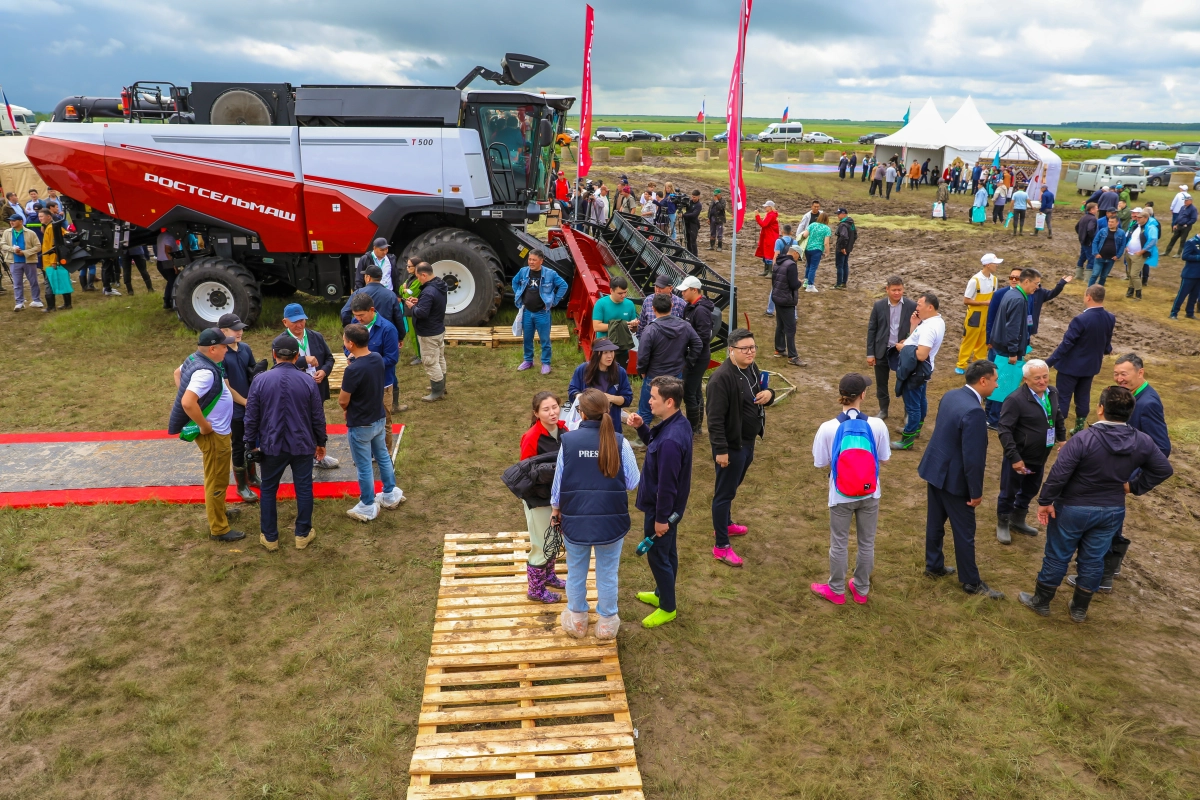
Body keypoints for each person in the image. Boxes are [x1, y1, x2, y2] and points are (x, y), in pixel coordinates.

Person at [1018, 386, 1173, 622]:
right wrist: (1132, 487)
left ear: (1100, 409)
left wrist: (1045, 501)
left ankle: (1041, 601)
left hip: (1073, 508)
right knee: (1093, 559)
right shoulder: (1142, 441)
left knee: (1058, 555)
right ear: (1129, 413)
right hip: (1112, 510)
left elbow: (1059, 473)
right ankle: (1079, 609)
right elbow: (1163, 468)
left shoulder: (1083, 439)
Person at [1071, 354, 1173, 594]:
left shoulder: (1148, 403)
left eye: (1124, 374)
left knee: (1107, 525)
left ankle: (1101, 577)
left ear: (1140, 373)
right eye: (1116, 374)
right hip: (1114, 474)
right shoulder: (1131, 396)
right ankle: (1108, 571)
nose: (1119, 378)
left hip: (1119, 478)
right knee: (1110, 521)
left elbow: (1162, 447)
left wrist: (1132, 480)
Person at [551, 388, 641, 640]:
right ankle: (607, 623)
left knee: (576, 570)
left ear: (580, 413)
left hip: (574, 518)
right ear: (606, 411)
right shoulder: (620, 441)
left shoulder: (568, 442)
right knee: (608, 572)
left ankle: (577, 620)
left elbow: (558, 482)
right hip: (612, 520)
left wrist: (555, 510)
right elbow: (633, 481)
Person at [919, 360, 1004, 599]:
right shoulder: (975, 412)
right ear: (983, 381)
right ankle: (971, 582)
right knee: (965, 533)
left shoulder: (951, 395)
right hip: (955, 481)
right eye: (995, 380)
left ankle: (933, 565)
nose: (997, 385)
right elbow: (973, 459)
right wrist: (975, 492)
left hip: (935, 470)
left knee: (935, 523)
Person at [810, 373, 892, 605]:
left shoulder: (827, 428)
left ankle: (835, 590)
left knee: (839, 542)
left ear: (841, 395)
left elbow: (820, 462)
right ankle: (861, 589)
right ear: (863, 395)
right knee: (867, 542)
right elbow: (885, 459)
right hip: (870, 493)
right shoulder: (877, 424)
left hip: (840, 495)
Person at [242, 333, 328, 551]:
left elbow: (251, 417)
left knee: (269, 489)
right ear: (297, 355)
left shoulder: (260, 380)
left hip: (271, 446)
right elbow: (317, 416)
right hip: (302, 445)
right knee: (304, 488)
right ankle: (302, 534)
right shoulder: (308, 381)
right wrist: (321, 442)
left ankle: (270, 537)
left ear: (274, 354)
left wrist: (249, 443)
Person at [624, 377, 693, 628]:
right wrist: (642, 428)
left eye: (653, 397)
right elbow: (654, 444)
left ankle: (667, 608)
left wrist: (661, 519)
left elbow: (667, 485)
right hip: (667, 509)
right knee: (668, 552)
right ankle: (662, 592)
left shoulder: (671, 441)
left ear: (670, 401)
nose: (649, 401)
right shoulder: (675, 423)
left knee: (658, 557)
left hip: (661, 510)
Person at [706, 328, 775, 567]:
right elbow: (714, 420)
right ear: (731, 351)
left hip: (748, 441)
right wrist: (721, 451)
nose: (750, 352)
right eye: (744, 349)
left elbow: (759, 394)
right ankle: (721, 546)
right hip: (731, 446)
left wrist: (769, 394)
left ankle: (725, 524)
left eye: (753, 347)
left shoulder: (751, 368)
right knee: (724, 493)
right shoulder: (720, 379)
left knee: (732, 488)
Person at [168, 328, 244, 543]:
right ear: (212, 349)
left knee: (216, 476)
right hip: (215, 434)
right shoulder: (205, 372)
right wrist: (204, 425)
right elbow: (187, 402)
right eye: (223, 346)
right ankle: (219, 528)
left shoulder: (195, 358)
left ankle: (219, 511)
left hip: (216, 430)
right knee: (216, 480)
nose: (226, 350)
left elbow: (177, 373)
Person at [339, 322, 405, 523]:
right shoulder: (377, 358)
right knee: (383, 456)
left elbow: (343, 400)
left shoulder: (352, 371)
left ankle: (367, 504)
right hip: (378, 419)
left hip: (361, 423)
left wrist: (345, 409)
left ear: (350, 344)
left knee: (364, 465)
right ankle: (389, 493)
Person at [995, 359, 1065, 544]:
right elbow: (1004, 430)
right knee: (1009, 490)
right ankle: (1003, 522)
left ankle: (1018, 519)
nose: (1042, 381)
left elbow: (1057, 416)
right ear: (1026, 379)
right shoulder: (1015, 400)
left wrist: (1063, 438)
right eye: (1037, 378)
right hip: (1020, 459)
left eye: (1045, 376)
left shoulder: (1052, 393)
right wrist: (1014, 457)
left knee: (1031, 489)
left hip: (1040, 457)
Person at [517, 390, 569, 602]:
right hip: (538, 499)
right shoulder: (531, 437)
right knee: (540, 543)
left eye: (555, 407)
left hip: (556, 498)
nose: (552, 413)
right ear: (536, 413)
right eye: (546, 410)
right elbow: (525, 472)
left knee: (553, 539)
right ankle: (535, 590)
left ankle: (549, 576)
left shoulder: (565, 430)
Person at [1046, 284, 1116, 435]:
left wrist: (1049, 362)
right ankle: (1079, 428)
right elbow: (1107, 341)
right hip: (1090, 367)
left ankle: (1059, 431)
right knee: (1083, 397)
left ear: (1088, 297)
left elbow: (1067, 344)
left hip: (1070, 367)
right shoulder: (1110, 317)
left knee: (1063, 398)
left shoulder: (1080, 319)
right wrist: (1106, 350)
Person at [280, 304, 339, 470]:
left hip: (316, 388)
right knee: (299, 425)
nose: (299, 325)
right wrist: (303, 360)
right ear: (285, 322)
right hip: (294, 391)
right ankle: (303, 462)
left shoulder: (316, 337)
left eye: (302, 321)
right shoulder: (280, 342)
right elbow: (279, 365)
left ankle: (320, 456)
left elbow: (329, 359)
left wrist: (324, 372)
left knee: (317, 421)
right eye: (295, 322)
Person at [216, 313, 261, 503]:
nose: (240, 332)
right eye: (235, 329)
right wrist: (244, 401)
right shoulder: (221, 354)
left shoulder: (246, 349)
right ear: (223, 331)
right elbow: (225, 386)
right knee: (238, 446)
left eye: (241, 328)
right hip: (234, 409)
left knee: (252, 442)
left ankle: (252, 477)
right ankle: (241, 485)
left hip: (250, 406)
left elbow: (254, 374)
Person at [636, 293, 701, 421]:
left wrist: (641, 370)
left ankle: (641, 438)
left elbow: (643, 355)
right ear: (671, 306)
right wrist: (688, 361)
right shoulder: (685, 326)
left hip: (653, 375)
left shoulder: (650, 330)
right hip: (675, 374)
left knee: (646, 408)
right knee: (672, 407)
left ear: (653, 308)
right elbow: (698, 344)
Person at [892, 293, 945, 450]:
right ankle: (915, 430)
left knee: (913, 406)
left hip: (916, 371)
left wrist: (903, 348)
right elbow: (917, 340)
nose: (916, 308)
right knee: (921, 400)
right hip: (924, 370)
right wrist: (914, 325)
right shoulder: (935, 321)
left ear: (930, 307)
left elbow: (921, 354)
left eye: (919, 305)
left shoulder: (929, 327)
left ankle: (907, 440)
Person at [866, 276, 916, 420]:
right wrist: (870, 353)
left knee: (907, 382)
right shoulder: (879, 306)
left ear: (903, 289)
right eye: (894, 290)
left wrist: (908, 340)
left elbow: (918, 328)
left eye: (899, 290)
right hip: (882, 350)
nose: (897, 293)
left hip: (903, 351)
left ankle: (908, 413)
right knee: (881, 382)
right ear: (887, 289)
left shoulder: (911, 306)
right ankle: (883, 410)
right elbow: (872, 329)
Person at [512, 250, 569, 375]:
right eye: (529, 259)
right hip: (527, 312)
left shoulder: (551, 274)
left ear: (541, 261)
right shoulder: (523, 272)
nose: (531, 262)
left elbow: (563, 286)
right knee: (527, 338)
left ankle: (546, 363)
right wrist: (519, 295)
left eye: (534, 260)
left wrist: (553, 301)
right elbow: (515, 282)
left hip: (542, 313)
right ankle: (528, 360)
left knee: (545, 340)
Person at [567, 339, 633, 433]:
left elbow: (628, 399)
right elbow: (572, 391)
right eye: (605, 352)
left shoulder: (620, 372)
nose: (610, 356)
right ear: (596, 354)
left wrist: (611, 398)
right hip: (587, 425)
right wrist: (582, 397)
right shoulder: (583, 369)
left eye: (611, 351)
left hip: (611, 424)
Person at [405, 262, 449, 402]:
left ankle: (437, 392)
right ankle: (441, 386)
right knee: (440, 358)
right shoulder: (440, 285)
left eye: (418, 277)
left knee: (430, 361)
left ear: (424, 274)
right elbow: (431, 304)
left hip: (428, 333)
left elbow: (422, 313)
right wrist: (420, 301)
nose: (418, 280)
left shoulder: (429, 291)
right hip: (438, 329)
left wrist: (412, 306)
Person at [678, 275, 716, 431]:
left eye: (685, 291)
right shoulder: (691, 306)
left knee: (689, 392)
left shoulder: (700, 311)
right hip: (694, 355)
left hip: (697, 357)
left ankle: (693, 428)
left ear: (694, 290)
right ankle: (698, 425)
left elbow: (703, 337)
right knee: (695, 390)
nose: (682, 293)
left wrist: (691, 359)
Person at [955, 253, 1000, 374]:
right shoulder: (975, 280)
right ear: (988, 265)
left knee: (984, 340)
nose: (997, 266)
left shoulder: (994, 280)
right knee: (969, 339)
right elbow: (966, 300)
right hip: (975, 314)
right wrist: (984, 302)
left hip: (988, 314)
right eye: (995, 264)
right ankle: (961, 364)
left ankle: (978, 364)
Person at [591, 276, 639, 368]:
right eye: (620, 293)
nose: (623, 296)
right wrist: (621, 325)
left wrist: (634, 325)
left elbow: (633, 330)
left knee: (619, 377)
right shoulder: (601, 304)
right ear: (611, 291)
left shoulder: (629, 304)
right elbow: (597, 327)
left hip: (622, 349)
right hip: (603, 348)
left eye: (625, 292)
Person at [341, 264, 403, 334]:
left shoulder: (358, 293)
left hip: (362, 333)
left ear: (368, 277)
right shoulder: (391, 295)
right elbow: (398, 317)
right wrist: (400, 336)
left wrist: (349, 328)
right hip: (385, 333)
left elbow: (345, 312)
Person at [770, 244, 804, 367]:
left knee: (780, 325)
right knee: (790, 328)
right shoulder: (791, 265)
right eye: (798, 256)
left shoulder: (778, 262)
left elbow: (774, 280)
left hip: (777, 298)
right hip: (786, 300)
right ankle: (793, 356)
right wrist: (799, 283)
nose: (797, 259)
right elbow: (793, 284)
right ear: (795, 253)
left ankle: (779, 349)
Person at [3, 214, 41, 311]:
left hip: (29, 261)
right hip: (14, 261)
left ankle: (36, 300)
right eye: (10, 220)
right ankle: (19, 302)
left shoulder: (30, 233)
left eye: (14, 220)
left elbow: (38, 247)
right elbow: (2, 244)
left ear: (21, 221)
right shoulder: (7, 232)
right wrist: (12, 249)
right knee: (17, 283)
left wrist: (24, 253)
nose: (11, 222)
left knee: (33, 281)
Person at [37, 208, 72, 312]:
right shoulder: (51, 226)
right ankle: (67, 304)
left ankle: (51, 307)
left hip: (52, 262)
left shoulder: (52, 227)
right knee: (62, 280)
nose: (40, 219)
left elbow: (54, 246)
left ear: (49, 216)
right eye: (39, 217)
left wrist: (53, 261)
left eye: (41, 216)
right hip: (54, 260)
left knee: (49, 283)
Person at [1124, 207, 1159, 299]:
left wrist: (1142, 251)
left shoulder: (1151, 227)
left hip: (1138, 255)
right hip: (1129, 253)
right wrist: (1126, 246)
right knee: (1130, 272)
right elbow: (1130, 237)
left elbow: (1153, 240)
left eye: (1140, 218)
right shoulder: (1136, 226)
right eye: (1137, 217)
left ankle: (1138, 294)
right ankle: (1130, 290)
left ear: (1146, 218)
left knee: (1134, 274)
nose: (1137, 219)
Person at [1089, 214, 1128, 287]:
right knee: (1095, 274)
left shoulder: (1121, 233)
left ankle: (1099, 291)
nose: (1110, 223)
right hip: (1099, 257)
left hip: (1111, 259)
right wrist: (1096, 253)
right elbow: (1095, 242)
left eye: (1112, 222)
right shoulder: (1102, 231)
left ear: (1117, 223)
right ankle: (1089, 290)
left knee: (1103, 276)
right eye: (1109, 221)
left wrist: (1118, 256)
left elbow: (1123, 245)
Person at [399, 257, 424, 365]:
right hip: (409, 311)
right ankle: (418, 353)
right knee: (412, 335)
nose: (407, 268)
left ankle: (420, 356)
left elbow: (408, 295)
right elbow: (401, 290)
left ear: (416, 268)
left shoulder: (417, 281)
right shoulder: (410, 278)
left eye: (409, 266)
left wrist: (404, 290)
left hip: (413, 311)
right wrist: (404, 290)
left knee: (415, 335)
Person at [800, 211, 832, 292]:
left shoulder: (812, 225)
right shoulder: (827, 229)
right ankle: (810, 286)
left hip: (808, 249)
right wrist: (827, 252)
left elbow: (804, 235)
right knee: (813, 267)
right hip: (817, 250)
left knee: (808, 265)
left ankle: (806, 282)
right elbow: (826, 243)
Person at [1171, 232, 1200, 319]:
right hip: (1190, 274)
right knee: (1182, 294)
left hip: (1198, 275)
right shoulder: (1191, 242)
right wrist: (1198, 257)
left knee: (1194, 295)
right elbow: (1185, 256)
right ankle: (1174, 313)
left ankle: (1189, 313)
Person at [154, 228, 178, 310]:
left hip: (160, 262)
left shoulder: (161, 235)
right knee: (174, 282)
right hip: (167, 262)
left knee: (171, 281)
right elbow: (167, 251)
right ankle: (171, 302)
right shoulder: (170, 237)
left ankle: (167, 301)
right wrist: (173, 264)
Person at [753, 201, 780, 275]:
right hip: (767, 236)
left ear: (770, 207)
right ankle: (766, 270)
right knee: (766, 253)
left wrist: (757, 216)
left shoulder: (771, 215)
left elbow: (763, 224)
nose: (765, 207)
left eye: (766, 206)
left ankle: (770, 272)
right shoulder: (770, 214)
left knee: (769, 254)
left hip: (770, 237)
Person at [833, 208, 856, 288]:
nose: (837, 216)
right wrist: (849, 245)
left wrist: (842, 247)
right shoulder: (851, 223)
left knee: (840, 265)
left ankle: (839, 284)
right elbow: (855, 236)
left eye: (838, 214)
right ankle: (843, 283)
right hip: (848, 248)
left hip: (842, 248)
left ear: (843, 214)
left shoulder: (843, 224)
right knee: (845, 264)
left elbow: (843, 236)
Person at [682, 189, 702, 255]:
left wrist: (683, 215)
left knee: (693, 240)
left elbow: (694, 215)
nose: (693, 198)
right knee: (687, 239)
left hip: (693, 224)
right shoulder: (690, 202)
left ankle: (695, 255)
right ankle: (689, 253)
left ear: (698, 197)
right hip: (687, 223)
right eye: (692, 196)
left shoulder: (699, 205)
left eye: (694, 197)